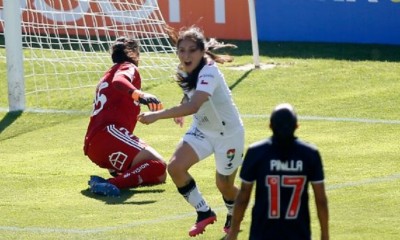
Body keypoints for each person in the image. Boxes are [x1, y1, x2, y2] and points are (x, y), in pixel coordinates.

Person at [138, 26, 244, 237]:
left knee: (224, 185)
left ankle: (234, 214)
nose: (186, 55)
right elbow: (191, 96)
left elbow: (195, 105)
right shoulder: (182, 70)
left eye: (192, 50)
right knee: (175, 167)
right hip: (202, 129)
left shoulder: (210, 71)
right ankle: (204, 212)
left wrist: (157, 115)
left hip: (228, 135)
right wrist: (181, 107)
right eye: (182, 50)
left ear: (202, 51)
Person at [225, 103, 329, 240]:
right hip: (298, 233)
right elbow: (320, 200)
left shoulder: (256, 152)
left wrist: (233, 232)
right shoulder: (310, 154)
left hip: (262, 233)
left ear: (270, 126)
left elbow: (243, 197)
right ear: (297, 126)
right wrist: (325, 234)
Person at [83, 37, 167, 197]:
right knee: (159, 166)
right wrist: (140, 95)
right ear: (134, 53)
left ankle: (113, 179)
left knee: (159, 176)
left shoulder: (108, 73)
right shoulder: (127, 67)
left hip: (99, 143)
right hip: (108, 136)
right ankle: (110, 184)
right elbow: (119, 81)